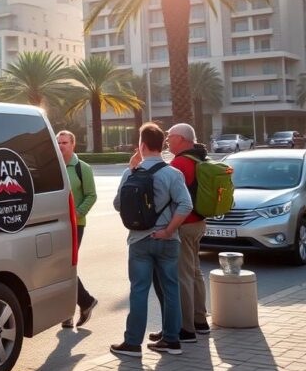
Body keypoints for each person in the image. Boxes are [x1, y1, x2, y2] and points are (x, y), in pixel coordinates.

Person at [110, 123, 193, 358]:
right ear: (162, 145)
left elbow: (118, 204)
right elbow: (186, 205)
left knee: (139, 290)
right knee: (171, 289)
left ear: (142, 145)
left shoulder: (131, 173)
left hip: (139, 241)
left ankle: (133, 343)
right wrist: (168, 230)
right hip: (168, 241)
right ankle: (172, 341)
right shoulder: (173, 174)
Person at [149, 123, 211, 342]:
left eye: (170, 136)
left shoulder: (180, 163)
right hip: (199, 223)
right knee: (194, 272)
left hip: (183, 226)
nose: (167, 140)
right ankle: (200, 320)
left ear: (182, 139)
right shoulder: (200, 158)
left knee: (181, 276)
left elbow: (170, 197)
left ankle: (185, 328)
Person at [56, 130, 98, 328]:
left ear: (73, 145)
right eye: (58, 142)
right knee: (61, 266)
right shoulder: (52, 167)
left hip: (75, 225)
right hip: (55, 224)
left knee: (67, 266)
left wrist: (77, 213)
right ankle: (80, 305)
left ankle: (79, 306)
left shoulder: (83, 168)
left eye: (64, 142)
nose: (61, 145)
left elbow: (91, 195)